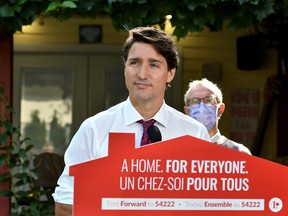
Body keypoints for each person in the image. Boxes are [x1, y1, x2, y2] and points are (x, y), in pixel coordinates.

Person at [53, 27, 210, 215]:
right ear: (125, 68)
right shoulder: (94, 129)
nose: (142, 74)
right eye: (135, 62)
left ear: (170, 73)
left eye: (154, 64)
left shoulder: (194, 133)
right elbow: (64, 204)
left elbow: (206, 203)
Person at [184, 78, 251, 155]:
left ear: (220, 109)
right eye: (195, 101)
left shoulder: (239, 153)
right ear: (187, 112)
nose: (202, 106)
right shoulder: (175, 152)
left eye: (209, 100)